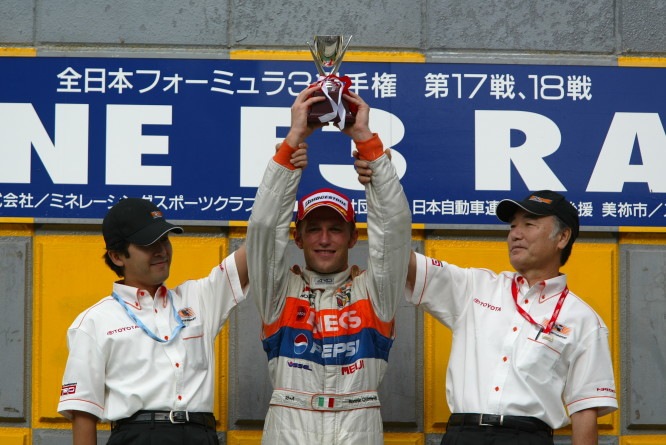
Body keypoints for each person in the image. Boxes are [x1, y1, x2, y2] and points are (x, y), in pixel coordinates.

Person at [359, 166, 617, 445]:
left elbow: (584, 414)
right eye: (513, 226)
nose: (515, 234)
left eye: (529, 224)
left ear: (563, 238)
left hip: (528, 438)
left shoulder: (583, 320)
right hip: (462, 434)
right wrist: (379, 177)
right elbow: (396, 253)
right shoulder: (476, 286)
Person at [246, 85, 412, 444]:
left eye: (336, 229)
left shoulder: (375, 292)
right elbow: (262, 228)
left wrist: (368, 143)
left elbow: (394, 230)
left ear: (353, 238)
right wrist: (291, 146)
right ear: (298, 237)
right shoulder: (278, 291)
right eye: (314, 229)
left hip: (359, 430)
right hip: (288, 430)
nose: (324, 239)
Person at [57, 197, 256, 445]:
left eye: (164, 239)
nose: (161, 250)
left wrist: (281, 172)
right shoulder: (93, 322)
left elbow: (260, 240)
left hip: (201, 435)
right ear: (117, 256)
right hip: (136, 437)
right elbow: (83, 414)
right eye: (148, 243)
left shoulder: (199, 297)